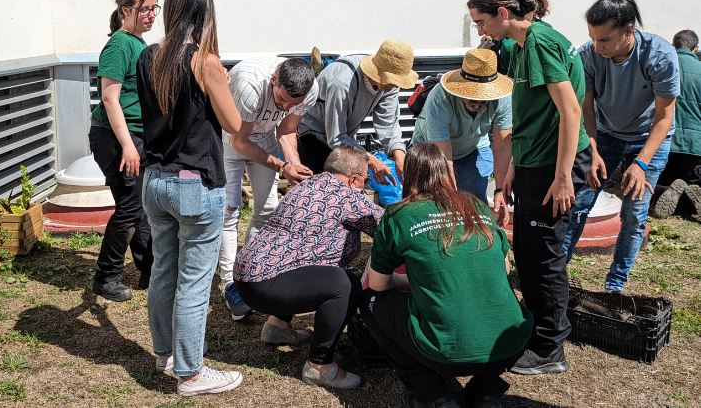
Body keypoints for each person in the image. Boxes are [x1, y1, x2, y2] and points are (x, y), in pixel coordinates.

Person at [468, 0, 591, 375]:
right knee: (527, 252)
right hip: (534, 162)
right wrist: (513, 169)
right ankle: (537, 330)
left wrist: (563, 176)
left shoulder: (540, 42)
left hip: (554, 166)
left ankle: (549, 348)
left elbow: (570, 110)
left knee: (543, 258)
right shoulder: (523, 44)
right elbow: (535, 114)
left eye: (481, 22)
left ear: (503, 13)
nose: (481, 32)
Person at [361, 143, 532, 408]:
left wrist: (413, 283)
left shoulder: (397, 215)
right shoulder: (477, 206)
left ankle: (431, 395)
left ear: (408, 175)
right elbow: (505, 269)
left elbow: (378, 284)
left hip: (443, 353)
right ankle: (485, 392)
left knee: (369, 300)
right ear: (448, 172)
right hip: (511, 346)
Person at [136, 0, 243, 396]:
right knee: (194, 282)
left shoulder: (148, 57)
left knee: (163, 269)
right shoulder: (205, 62)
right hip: (195, 184)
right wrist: (222, 85)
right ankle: (191, 374)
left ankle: (166, 353)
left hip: (155, 181)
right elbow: (234, 124)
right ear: (203, 13)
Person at [234, 146, 383, 390]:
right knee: (346, 284)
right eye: (365, 181)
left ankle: (277, 327)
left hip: (248, 278)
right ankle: (320, 366)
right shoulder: (347, 195)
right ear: (353, 179)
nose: (364, 186)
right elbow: (389, 225)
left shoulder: (308, 185)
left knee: (310, 263)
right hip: (269, 283)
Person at [562, 0, 679, 290]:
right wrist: (591, 150)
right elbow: (586, 110)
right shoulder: (588, 55)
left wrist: (641, 163)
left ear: (628, 30)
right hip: (604, 133)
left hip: (648, 137)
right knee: (579, 201)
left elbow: (664, 118)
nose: (596, 46)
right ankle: (555, 273)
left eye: (604, 39)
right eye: (592, 38)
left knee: (635, 213)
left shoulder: (659, 54)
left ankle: (615, 285)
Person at [218, 57, 318, 321]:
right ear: (274, 78)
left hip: (265, 137)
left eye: (293, 104)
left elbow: (286, 130)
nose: (285, 107)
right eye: (281, 99)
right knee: (230, 212)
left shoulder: (310, 89)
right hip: (231, 141)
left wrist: (294, 166)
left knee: (268, 208)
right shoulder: (249, 82)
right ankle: (229, 284)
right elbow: (240, 141)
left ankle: (250, 271)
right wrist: (282, 167)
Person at [89, 0, 158, 302]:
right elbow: (109, 98)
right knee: (130, 207)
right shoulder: (119, 45)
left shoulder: (137, 43)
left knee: (140, 206)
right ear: (125, 10)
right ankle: (106, 276)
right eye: (145, 9)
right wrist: (128, 145)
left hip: (135, 136)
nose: (151, 15)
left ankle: (149, 270)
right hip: (116, 138)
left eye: (154, 8)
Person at [297, 40, 419, 184]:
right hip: (312, 135)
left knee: (351, 186)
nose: (395, 85)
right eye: (392, 81)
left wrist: (399, 154)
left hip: (342, 138)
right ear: (377, 72)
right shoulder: (342, 82)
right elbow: (336, 137)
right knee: (326, 189)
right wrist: (371, 159)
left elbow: (388, 125)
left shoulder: (390, 85)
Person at [410, 48, 513, 217]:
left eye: (484, 96)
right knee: (437, 203)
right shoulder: (439, 98)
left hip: (474, 146)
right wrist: (453, 197)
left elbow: (502, 146)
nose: (478, 101)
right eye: (472, 94)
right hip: (433, 151)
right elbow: (444, 157)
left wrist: (500, 190)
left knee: (475, 203)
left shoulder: (503, 98)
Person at [654, 30, 701, 217]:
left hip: (663, 140)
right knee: (693, 182)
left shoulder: (661, 66)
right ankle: (690, 196)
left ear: (673, 46)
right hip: (694, 146)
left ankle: (664, 191)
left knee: (658, 182)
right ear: (696, 49)